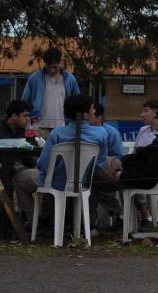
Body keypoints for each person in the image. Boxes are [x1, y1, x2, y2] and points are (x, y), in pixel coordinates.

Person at [22, 95, 125, 233]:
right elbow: (100, 162)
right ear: (85, 114)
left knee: (20, 179)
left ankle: (36, 222)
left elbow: (43, 164)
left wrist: (47, 175)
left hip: (56, 184)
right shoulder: (101, 133)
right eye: (92, 109)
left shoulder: (57, 134)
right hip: (85, 183)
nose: (94, 112)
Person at [95, 104, 158, 233]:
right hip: (128, 166)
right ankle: (123, 215)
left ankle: (128, 215)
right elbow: (143, 158)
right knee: (95, 176)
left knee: (93, 171)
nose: (156, 121)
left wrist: (122, 175)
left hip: (131, 172)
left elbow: (148, 177)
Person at [0, 99, 43, 229]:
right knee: (7, 177)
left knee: (18, 178)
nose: (28, 120)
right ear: (14, 116)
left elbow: (31, 156)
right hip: (0, 167)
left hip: (21, 168)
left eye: (29, 115)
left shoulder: (26, 131)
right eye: (25, 115)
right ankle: (4, 219)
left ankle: (22, 221)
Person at [20, 47, 80, 139]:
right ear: (45, 64)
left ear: (60, 63)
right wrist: (28, 120)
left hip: (63, 126)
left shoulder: (69, 79)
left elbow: (77, 102)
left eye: (55, 67)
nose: (52, 70)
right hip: (39, 127)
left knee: (60, 152)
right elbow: (24, 101)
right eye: (49, 67)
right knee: (40, 153)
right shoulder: (34, 78)